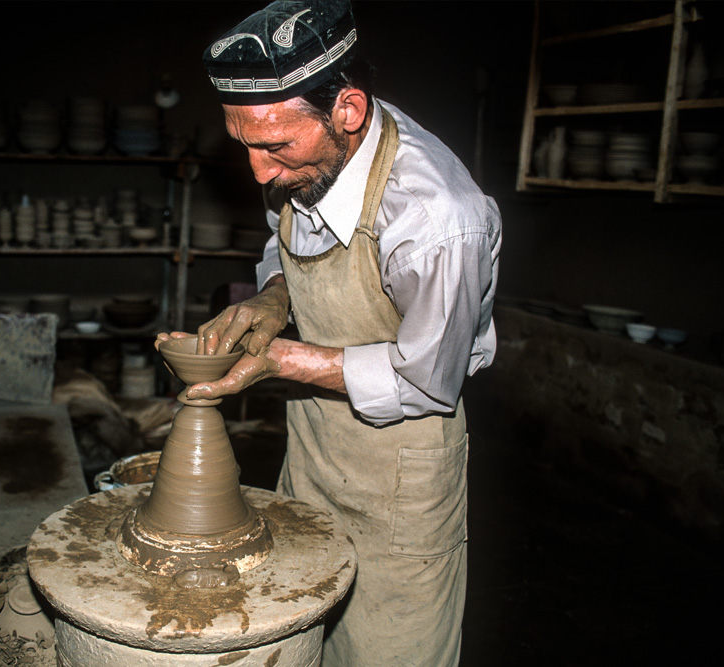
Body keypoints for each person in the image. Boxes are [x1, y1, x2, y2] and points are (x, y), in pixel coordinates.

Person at [157, 1, 501, 665]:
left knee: (385, 650)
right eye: (245, 145)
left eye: (275, 147)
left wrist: (280, 360)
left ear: (347, 110)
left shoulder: (436, 219)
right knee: (300, 632)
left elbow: (426, 379)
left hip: (400, 474)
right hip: (313, 447)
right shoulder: (304, 157)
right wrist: (272, 299)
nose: (259, 172)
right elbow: (288, 246)